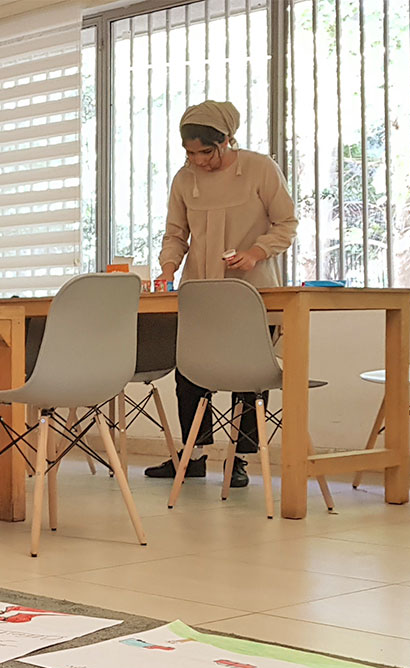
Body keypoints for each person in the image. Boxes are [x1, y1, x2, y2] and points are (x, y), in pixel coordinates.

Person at [144, 100, 298, 488]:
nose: (198, 161)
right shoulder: (184, 180)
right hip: (201, 293)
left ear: (227, 140)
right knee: (190, 372)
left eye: (206, 152)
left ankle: (240, 460)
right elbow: (175, 234)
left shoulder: (260, 169)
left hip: (253, 292)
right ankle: (192, 454)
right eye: (190, 153)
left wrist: (256, 252)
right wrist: (168, 268)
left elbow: (286, 223)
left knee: (248, 375)